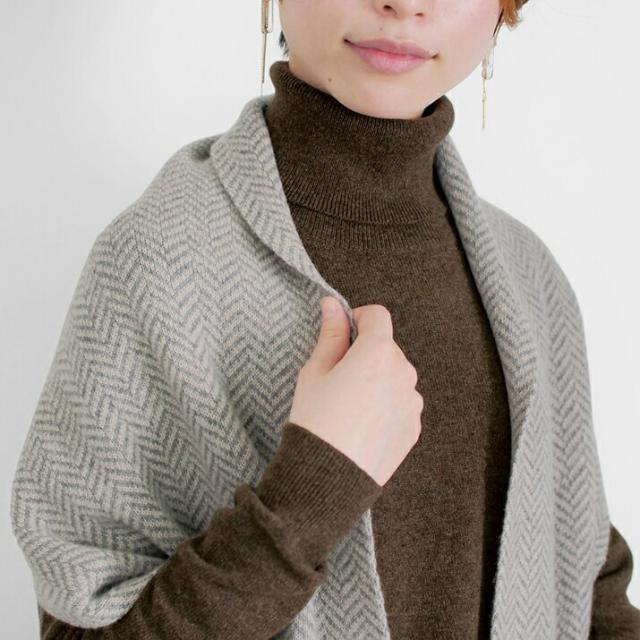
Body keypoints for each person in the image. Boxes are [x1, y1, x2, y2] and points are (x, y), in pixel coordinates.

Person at [11, 1, 640, 638]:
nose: (405, 3)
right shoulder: (157, 262)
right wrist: (312, 489)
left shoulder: (530, 279)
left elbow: (588, 587)